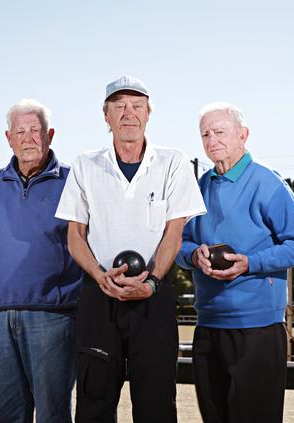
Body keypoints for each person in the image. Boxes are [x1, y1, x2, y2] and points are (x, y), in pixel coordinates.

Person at [55, 75, 206, 422]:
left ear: (148, 113)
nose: (128, 113)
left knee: (155, 403)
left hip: (153, 296)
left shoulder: (173, 162)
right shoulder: (85, 164)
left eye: (136, 106)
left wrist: (151, 281)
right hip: (98, 295)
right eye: (119, 106)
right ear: (105, 116)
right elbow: (75, 235)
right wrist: (98, 275)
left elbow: (175, 230)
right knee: (93, 402)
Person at [175, 102, 294, 423]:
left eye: (220, 132)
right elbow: (177, 244)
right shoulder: (198, 188)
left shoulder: (267, 183)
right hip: (208, 327)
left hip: (257, 330)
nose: (212, 140)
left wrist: (250, 263)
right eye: (205, 134)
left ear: (243, 135)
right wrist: (192, 255)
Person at [0, 99, 83, 423]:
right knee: (6, 412)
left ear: (50, 135)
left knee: (52, 412)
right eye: (20, 131)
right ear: (8, 138)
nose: (28, 138)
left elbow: (88, 245)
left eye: (35, 130)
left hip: (53, 317)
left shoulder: (74, 181)